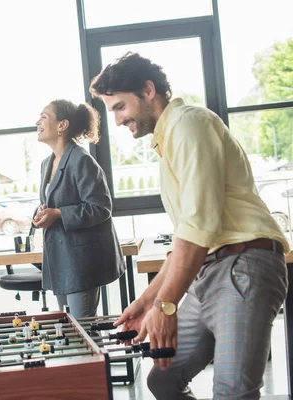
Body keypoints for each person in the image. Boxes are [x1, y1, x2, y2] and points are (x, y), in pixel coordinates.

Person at [91, 52, 289, 400]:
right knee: (163, 380)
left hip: (242, 266)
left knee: (232, 393)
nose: (118, 120)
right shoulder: (168, 143)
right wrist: (148, 301)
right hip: (210, 271)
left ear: (148, 90)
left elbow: (199, 227)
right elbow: (187, 237)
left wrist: (166, 306)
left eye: (121, 107)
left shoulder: (188, 123)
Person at [33, 99, 125, 318]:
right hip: (61, 259)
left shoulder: (81, 160)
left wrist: (58, 214)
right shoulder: (47, 163)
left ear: (62, 125)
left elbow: (100, 208)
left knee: (84, 331)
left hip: (81, 262)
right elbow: (51, 201)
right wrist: (41, 213)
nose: (37, 122)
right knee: (71, 331)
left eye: (44, 117)